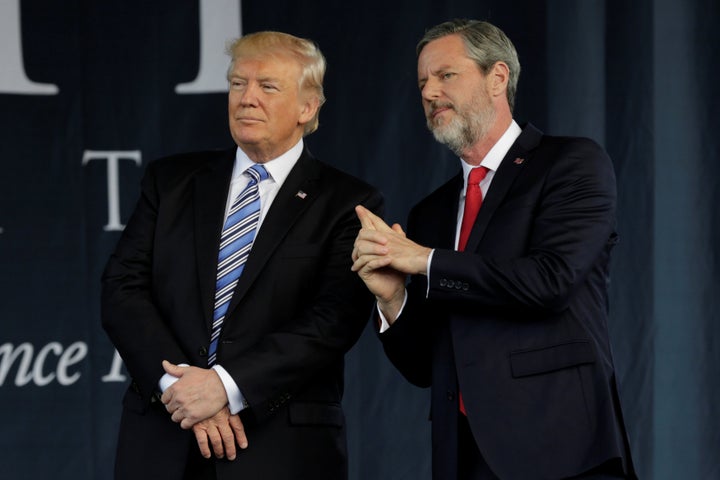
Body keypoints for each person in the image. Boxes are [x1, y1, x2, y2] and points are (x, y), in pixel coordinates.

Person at [351, 19, 636, 480]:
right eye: (423, 81)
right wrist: (392, 298)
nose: (428, 92)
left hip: (561, 446)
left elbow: (550, 281)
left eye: (446, 75)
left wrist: (424, 260)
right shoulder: (432, 213)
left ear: (498, 77)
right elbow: (426, 366)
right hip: (464, 455)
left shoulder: (569, 164)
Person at [101, 30, 382, 480]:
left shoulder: (347, 202)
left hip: (280, 448)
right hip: (163, 439)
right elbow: (122, 288)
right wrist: (181, 390)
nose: (247, 98)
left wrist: (225, 387)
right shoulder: (170, 181)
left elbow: (334, 318)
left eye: (267, 86)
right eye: (238, 84)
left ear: (308, 108)